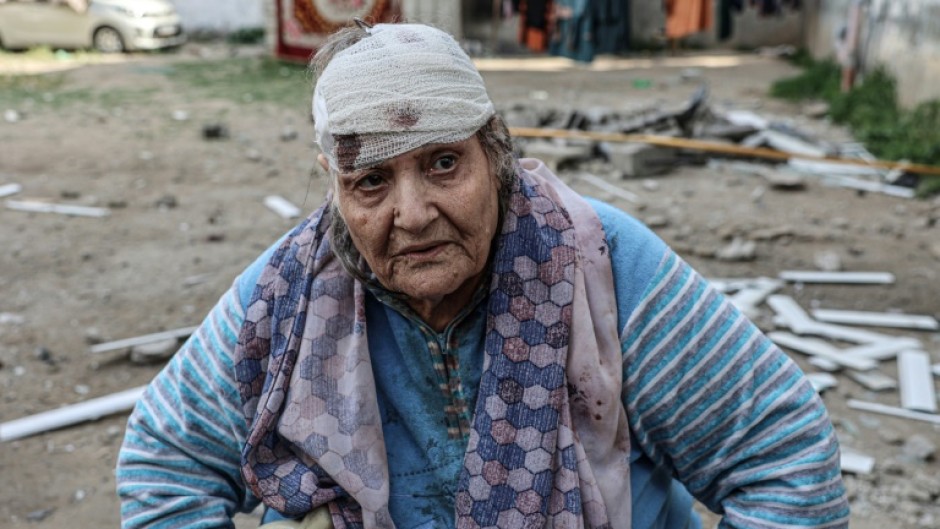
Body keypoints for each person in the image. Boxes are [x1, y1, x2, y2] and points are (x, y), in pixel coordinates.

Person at [116, 21, 849, 529]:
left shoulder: (603, 265)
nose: (412, 213)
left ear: (494, 151)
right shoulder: (287, 296)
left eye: (442, 163)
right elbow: (164, 458)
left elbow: (784, 453)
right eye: (370, 181)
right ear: (331, 184)